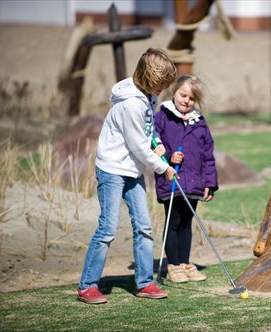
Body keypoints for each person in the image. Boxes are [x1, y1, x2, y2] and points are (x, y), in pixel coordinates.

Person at [77, 48, 178, 304]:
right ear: (151, 79)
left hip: (132, 170)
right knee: (108, 227)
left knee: (143, 226)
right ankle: (87, 285)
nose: (163, 90)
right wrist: (163, 167)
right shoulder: (131, 103)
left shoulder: (148, 97)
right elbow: (137, 146)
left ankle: (144, 283)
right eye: (162, 84)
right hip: (112, 169)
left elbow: (148, 129)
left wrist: (156, 140)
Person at [154, 74, 218, 283]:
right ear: (174, 93)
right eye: (183, 95)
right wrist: (169, 155)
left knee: (186, 223)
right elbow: (153, 142)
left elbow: (208, 154)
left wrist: (210, 183)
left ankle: (184, 262)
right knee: (173, 221)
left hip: (193, 182)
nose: (186, 101)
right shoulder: (162, 116)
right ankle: (173, 265)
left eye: (191, 98)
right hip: (171, 179)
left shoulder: (199, 121)